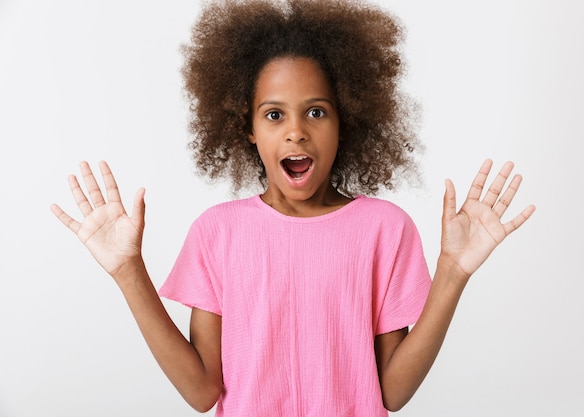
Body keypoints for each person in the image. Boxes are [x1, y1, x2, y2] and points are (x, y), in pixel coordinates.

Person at [50, 0, 535, 415]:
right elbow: (201, 392)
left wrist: (452, 270)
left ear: (346, 122)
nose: (296, 131)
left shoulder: (384, 229)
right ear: (248, 127)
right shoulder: (217, 233)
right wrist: (127, 270)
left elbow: (392, 391)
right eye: (275, 114)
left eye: (316, 111)